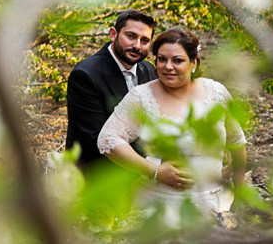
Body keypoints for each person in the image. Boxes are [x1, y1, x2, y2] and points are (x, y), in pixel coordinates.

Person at [97, 27, 247, 217]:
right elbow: (108, 138)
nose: (168, 66)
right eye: (162, 59)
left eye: (177, 60)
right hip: (159, 207)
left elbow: (237, 142)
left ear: (193, 62)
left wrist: (240, 190)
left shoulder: (216, 92)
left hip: (217, 203)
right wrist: (155, 171)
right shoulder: (141, 96)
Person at [65, 9, 158, 169]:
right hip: (96, 173)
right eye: (131, 36)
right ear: (113, 34)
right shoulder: (85, 75)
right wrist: (153, 167)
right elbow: (98, 139)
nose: (137, 46)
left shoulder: (148, 70)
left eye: (144, 40)